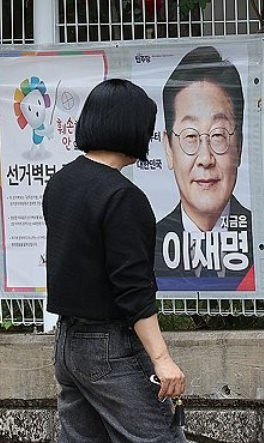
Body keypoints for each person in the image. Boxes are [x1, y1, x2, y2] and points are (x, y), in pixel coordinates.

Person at [44, 79, 186, 443]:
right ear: (132, 128)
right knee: (160, 438)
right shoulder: (122, 196)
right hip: (109, 349)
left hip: (67, 344)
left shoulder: (61, 183)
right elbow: (133, 289)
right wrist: (163, 359)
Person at [154, 46, 254, 291]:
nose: (205, 158)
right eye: (190, 136)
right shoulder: (148, 245)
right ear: (168, 148)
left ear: (239, 145)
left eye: (218, 135)